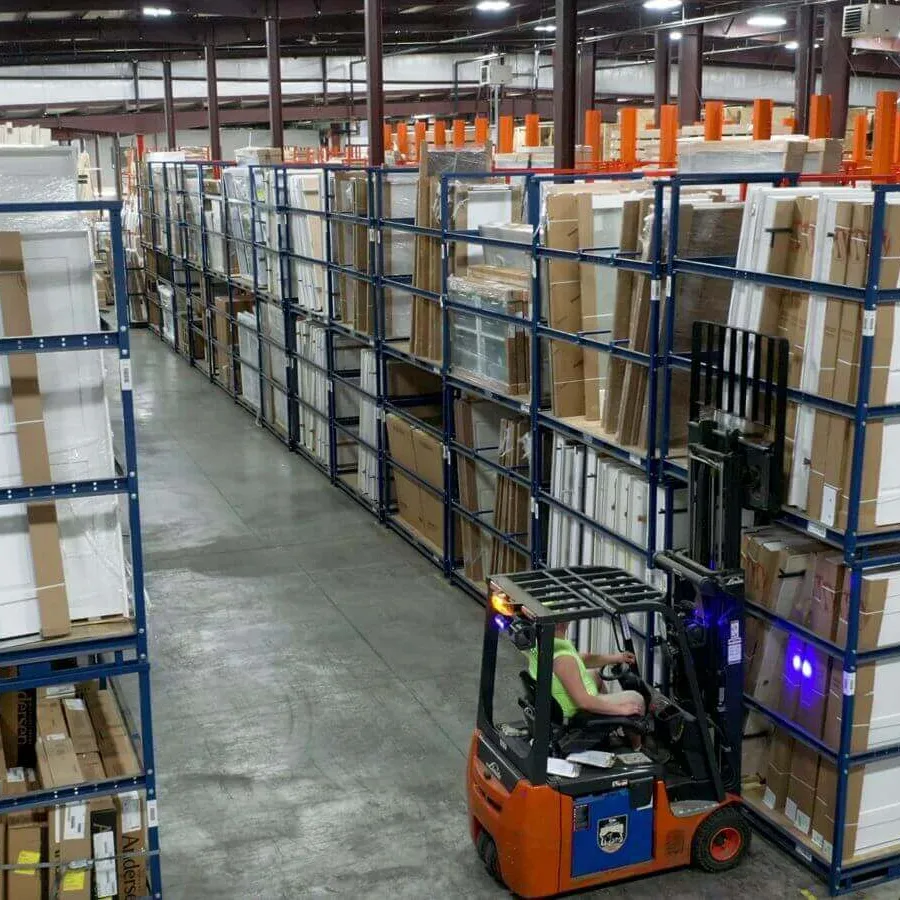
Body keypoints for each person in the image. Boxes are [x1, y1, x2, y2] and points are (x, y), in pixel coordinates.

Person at [527, 622, 646, 723]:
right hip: (572, 712)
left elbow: (581, 659)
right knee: (635, 700)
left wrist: (616, 658)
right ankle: (637, 747)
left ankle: (608, 725)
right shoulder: (563, 658)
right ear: (561, 623)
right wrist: (622, 710)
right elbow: (584, 702)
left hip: (553, 699)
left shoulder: (545, 640)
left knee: (594, 675)